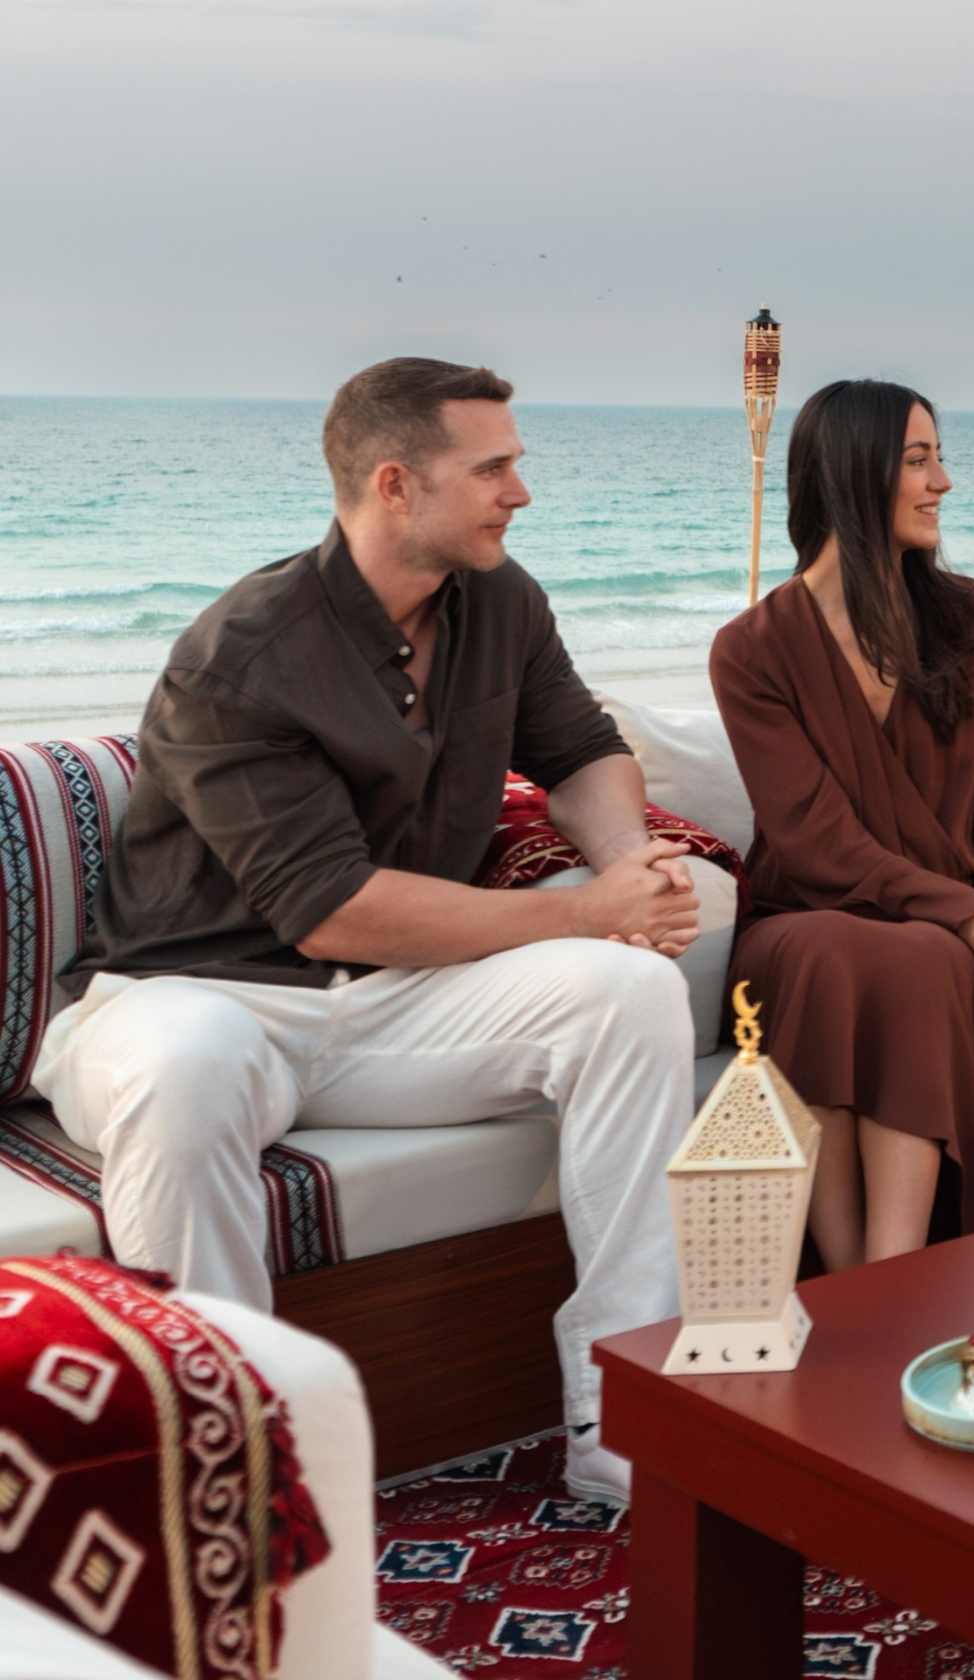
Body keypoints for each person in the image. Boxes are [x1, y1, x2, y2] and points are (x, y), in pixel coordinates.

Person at [32, 357, 707, 1502]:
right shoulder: (238, 656)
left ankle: (620, 1412)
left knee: (632, 995)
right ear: (395, 484)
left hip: (390, 1007)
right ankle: (227, 1476)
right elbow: (331, 903)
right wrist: (585, 911)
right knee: (189, 1068)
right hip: (193, 998)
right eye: (491, 468)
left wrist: (624, 864)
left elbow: (581, 749)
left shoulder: (501, 602)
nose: (519, 492)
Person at [712, 379, 974, 1269]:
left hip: (925, 933)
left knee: (919, 957)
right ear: (854, 474)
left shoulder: (971, 618)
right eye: (919, 461)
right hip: (803, 917)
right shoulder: (750, 651)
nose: (943, 484)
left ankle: (887, 1276)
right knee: (881, 953)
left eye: (940, 459)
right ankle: (868, 1283)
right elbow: (814, 840)